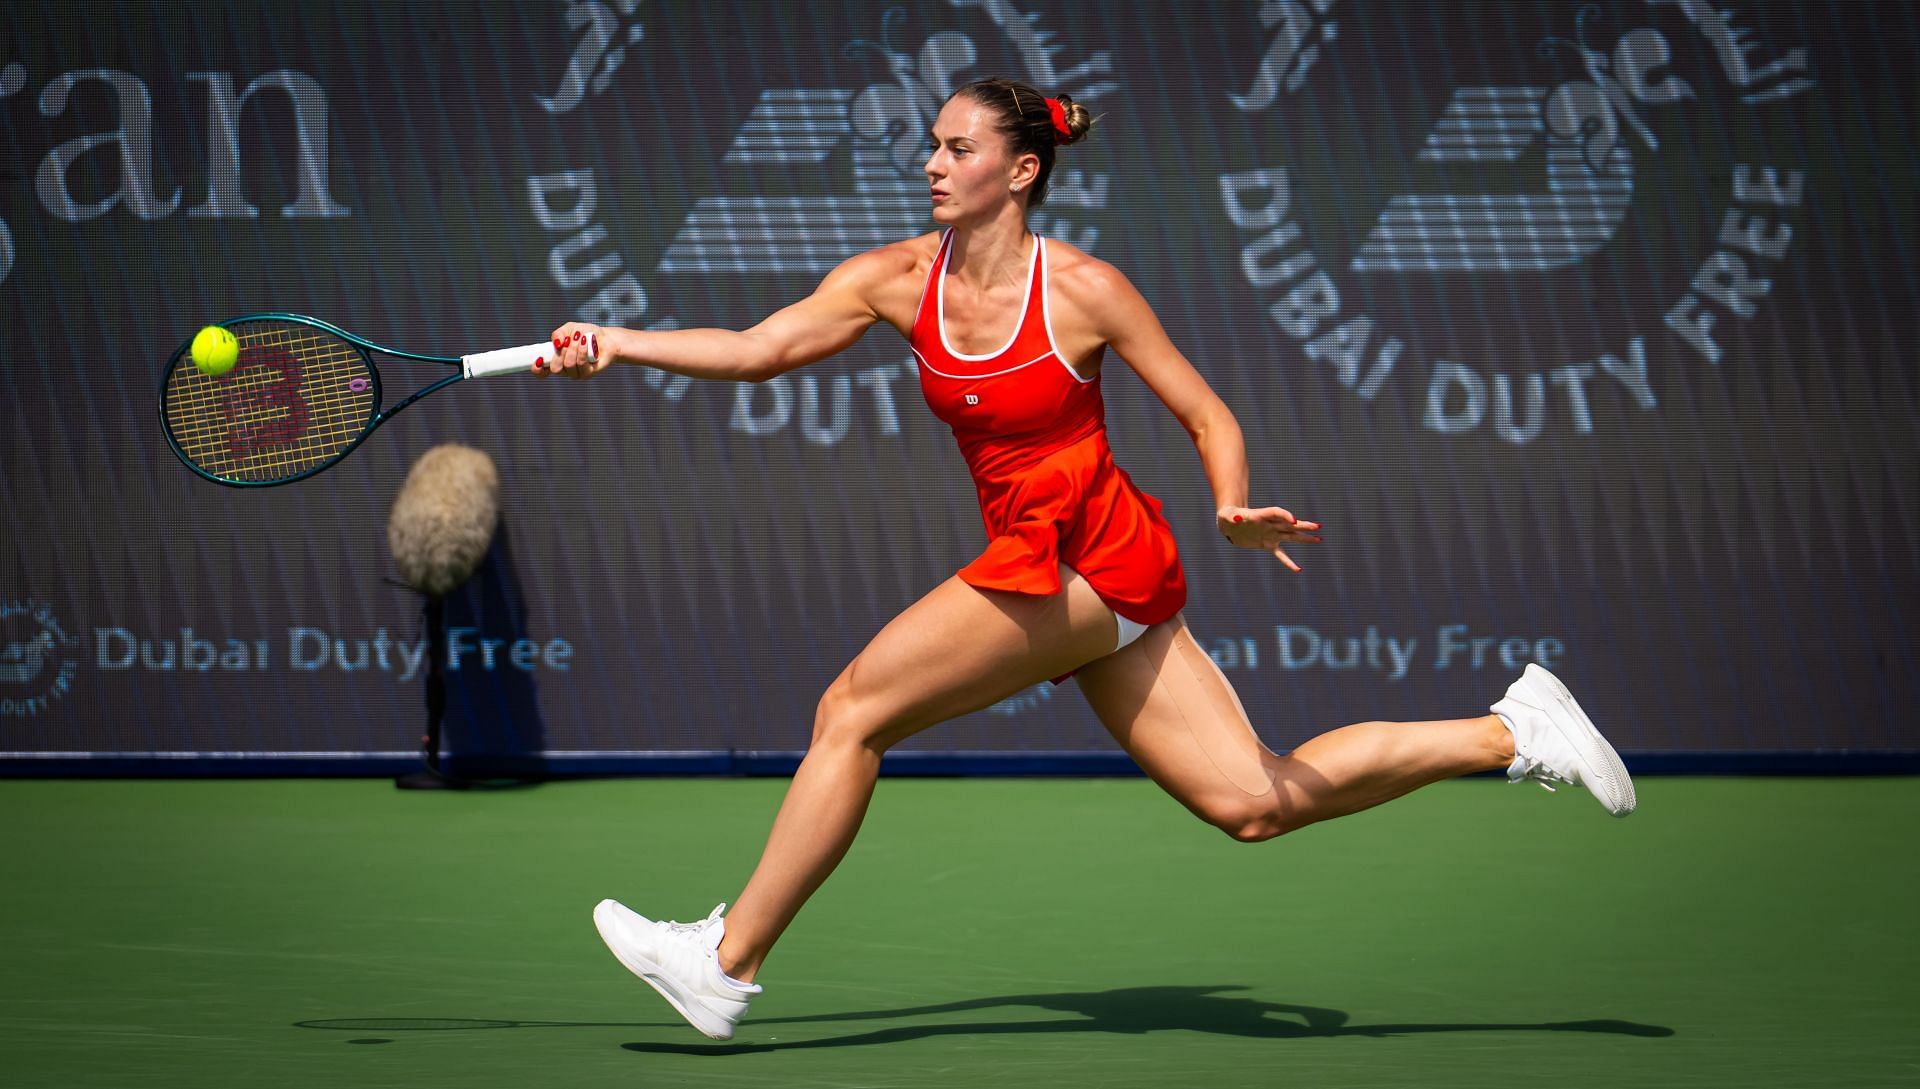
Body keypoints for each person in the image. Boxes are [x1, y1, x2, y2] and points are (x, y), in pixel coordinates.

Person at [538, 77, 1635, 1042]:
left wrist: (1234, 505)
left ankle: (724, 963)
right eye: (931, 145)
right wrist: (616, 344)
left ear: (1019, 171)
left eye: (956, 149)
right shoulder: (891, 279)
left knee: (852, 712)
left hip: (1086, 559)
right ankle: (1513, 731)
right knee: (1256, 801)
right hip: (1079, 572)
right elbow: (758, 348)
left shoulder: (1084, 291)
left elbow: (1207, 413)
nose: (931, 163)